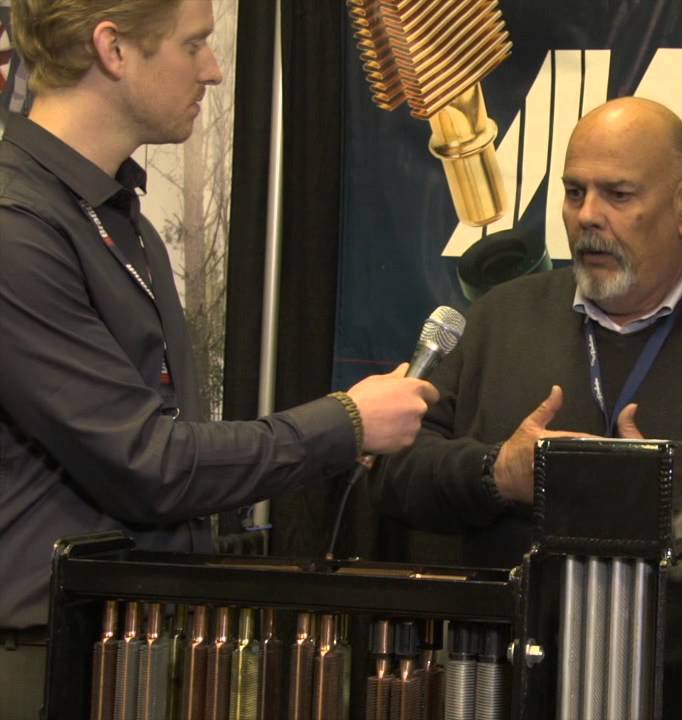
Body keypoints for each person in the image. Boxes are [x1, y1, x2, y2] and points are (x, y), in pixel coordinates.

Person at [371, 96, 682, 719]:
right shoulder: (499, 318)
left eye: (618, 194)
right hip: (507, 696)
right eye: (574, 192)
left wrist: (667, 491)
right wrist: (497, 474)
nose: (588, 215)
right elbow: (394, 473)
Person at [0, 0, 438, 712]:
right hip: (42, 666)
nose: (213, 70)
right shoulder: (18, 229)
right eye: (193, 44)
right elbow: (147, 465)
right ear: (113, 49)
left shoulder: (118, 220)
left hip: (131, 650)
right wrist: (346, 423)